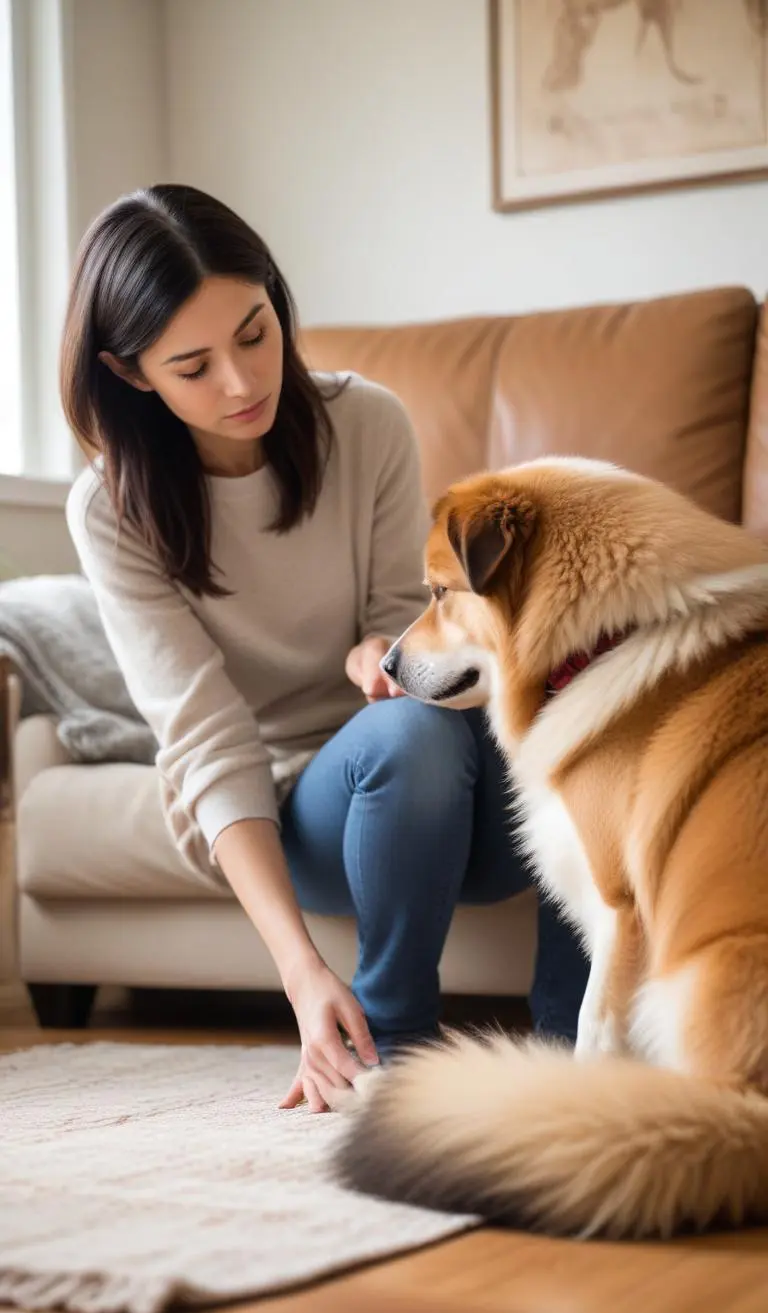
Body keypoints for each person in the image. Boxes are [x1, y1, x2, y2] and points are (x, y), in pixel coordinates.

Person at [60, 184, 589, 1112]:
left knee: (583, 711)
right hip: (306, 810)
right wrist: (302, 974)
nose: (241, 382)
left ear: (275, 296)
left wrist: (378, 650)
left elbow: (401, 622)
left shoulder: (366, 421)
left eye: (255, 333)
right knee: (408, 742)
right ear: (132, 372)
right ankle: (395, 1056)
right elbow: (206, 739)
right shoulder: (109, 509)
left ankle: (578, 1052)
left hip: (437, 781)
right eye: (193, 365)